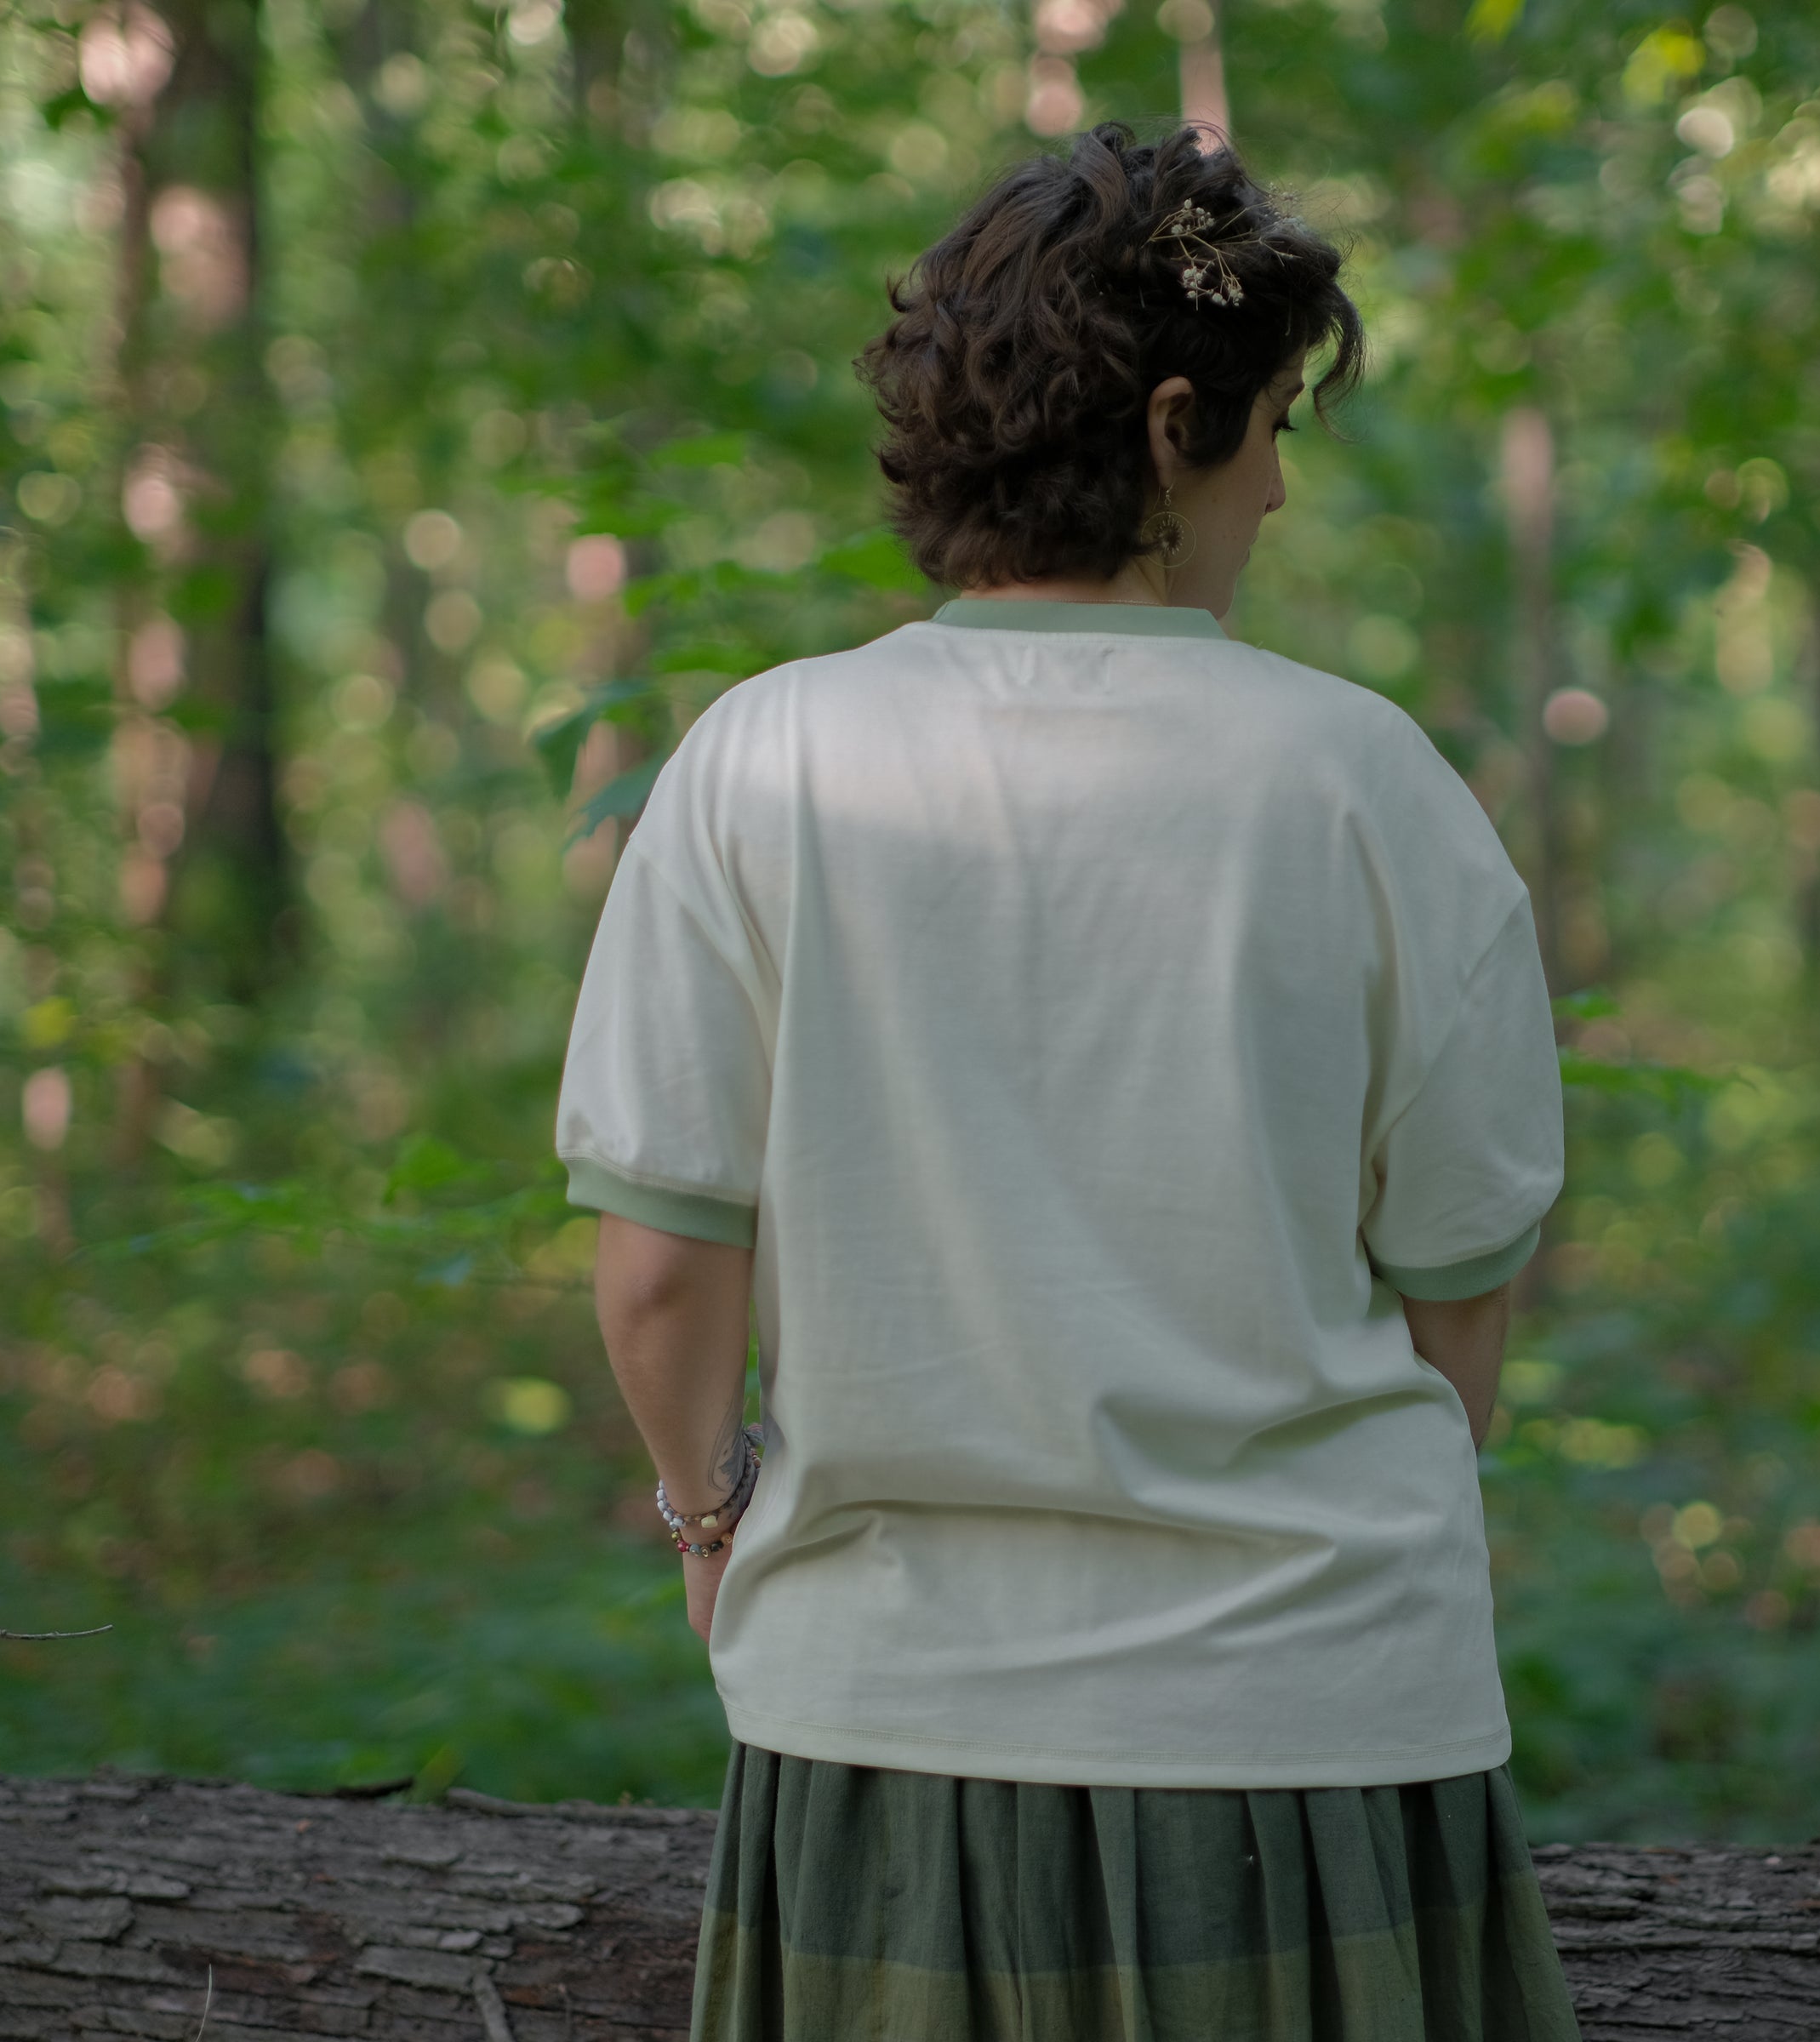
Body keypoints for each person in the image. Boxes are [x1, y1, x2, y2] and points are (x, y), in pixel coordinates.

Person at [555, 120, 1576, 2042]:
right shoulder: (1365, 782)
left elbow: (662, 1269)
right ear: (1177, 425)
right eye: (1272, 427)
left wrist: (712, 1530)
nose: (1277, 490)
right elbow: (1458, 1303)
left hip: (889, 1736)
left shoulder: (763, 760)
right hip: (1318, 1748)